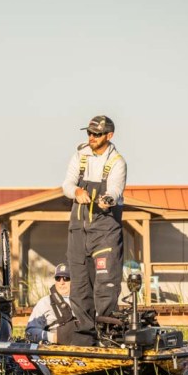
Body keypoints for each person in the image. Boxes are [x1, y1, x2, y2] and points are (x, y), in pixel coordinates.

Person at [62, 115, 127, 346]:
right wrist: (77, 192)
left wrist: (107, 199)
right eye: (89, 133)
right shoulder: (80, 155)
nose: (92, 137)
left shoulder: (117, 162)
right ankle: (84, 342)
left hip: (105, 231)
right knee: (79, 288)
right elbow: (67, 184)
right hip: (78, 231)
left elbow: (116, 189)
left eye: (97, 134)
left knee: (105, 286)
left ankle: (108, 339)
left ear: (109, 135)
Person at [25, 263, 76, 344]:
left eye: (66, 278)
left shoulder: (83, 301)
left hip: (84, 346)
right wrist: (53, 337)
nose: (61, 282)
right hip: (56, 347)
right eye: (58, 278)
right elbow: (30, 332)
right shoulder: (45, 302)